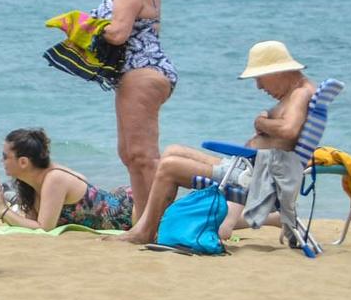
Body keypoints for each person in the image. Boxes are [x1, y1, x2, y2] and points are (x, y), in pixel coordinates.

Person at [121, 40, 316, 245]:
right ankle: (154, 224)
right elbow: (287, 130)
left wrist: (262, 122)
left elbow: (289, 129)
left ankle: (145, 232)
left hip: (248, 176)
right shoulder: (299, 92)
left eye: (260, 78)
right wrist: (267, 121)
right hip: (245, 167)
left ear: (276, 72)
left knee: (169, 167)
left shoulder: (300, 94)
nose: (259, 86)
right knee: (172, 150)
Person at [95, 0, 173, 225]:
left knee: (143, 154)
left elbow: (117, 33)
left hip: (141, 71)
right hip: (141, 72)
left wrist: (83, 28)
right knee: (129, 153)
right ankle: (144, 220)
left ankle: (161, 223)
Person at [0, 128, 134, 231]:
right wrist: (1, 211)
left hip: (128, 209)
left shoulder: (54, 179)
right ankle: (12, 198)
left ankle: (12, 199)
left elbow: (44, 229)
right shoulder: (30, 184)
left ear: (23, 162)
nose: (2, 161)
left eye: (5, 157)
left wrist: (3, 211)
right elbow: (30, 225)